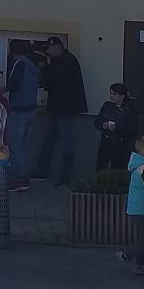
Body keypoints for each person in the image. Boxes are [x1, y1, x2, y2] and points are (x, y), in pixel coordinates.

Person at [32, 37, 87, 186]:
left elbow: (58, 81)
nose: (48, 52)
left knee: (65, 142)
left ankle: (67, 175)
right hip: (58, 108)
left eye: (49, 49)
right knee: (50, 140)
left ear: (57, 47)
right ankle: (43, 170)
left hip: (65, 109)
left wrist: (44, 69)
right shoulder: (59, 61)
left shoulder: (67, 61)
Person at [6, 39, 39, 192]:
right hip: (31, 109)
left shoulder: (19, 64)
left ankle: (18, 179)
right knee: (25, 146)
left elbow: (14, 84)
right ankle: (25, 177)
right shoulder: (32, 65)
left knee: (15, 146)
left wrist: (2, 89)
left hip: (19, 110)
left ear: (12, 51)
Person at [94, 83, 138, 171]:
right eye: (111, 93)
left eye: (114, 94)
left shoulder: (128, 110)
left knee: (117, 167)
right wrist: (103, 125)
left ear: (122, 96)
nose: (111, 96)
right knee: (101, 165)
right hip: (106, 140)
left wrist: (117, 128)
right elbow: (97, 122)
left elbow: (133, 129)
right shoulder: (107, 105)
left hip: (120, 143)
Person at [126, 132, 144, 275]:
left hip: (136, 207)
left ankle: (129, 255)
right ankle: (136, 263)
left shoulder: (136, 163)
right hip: (140, 208)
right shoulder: (142, 167)